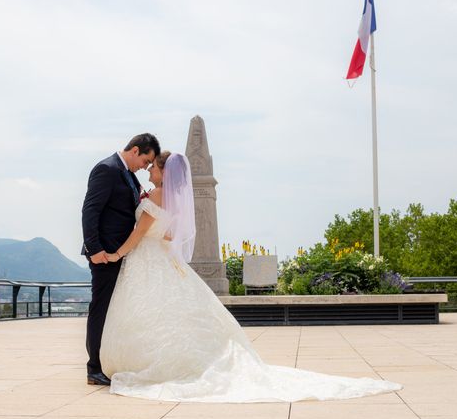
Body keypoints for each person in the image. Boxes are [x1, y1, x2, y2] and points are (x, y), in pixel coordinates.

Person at [99, 152, 402, 402]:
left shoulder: (158, 196)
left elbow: (139, 235)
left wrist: (115, 254)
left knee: (150, 314)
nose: (149, 170)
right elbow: (168, 235)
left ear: (164, 172)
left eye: (153, 167)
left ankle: (146, 363)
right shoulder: (174, 199)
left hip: (146, 260)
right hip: (162, 260)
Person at [81, 133, 160, 386]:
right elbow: (90, 210)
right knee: (101, 309)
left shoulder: (129, 175)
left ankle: (106, 362)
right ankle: (94, 368)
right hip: (105, 254)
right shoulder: (106, 169)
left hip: (122, 254)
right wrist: (94, 249)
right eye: (146, 161)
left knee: (114, 311)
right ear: (135, 150)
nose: (145, 167)